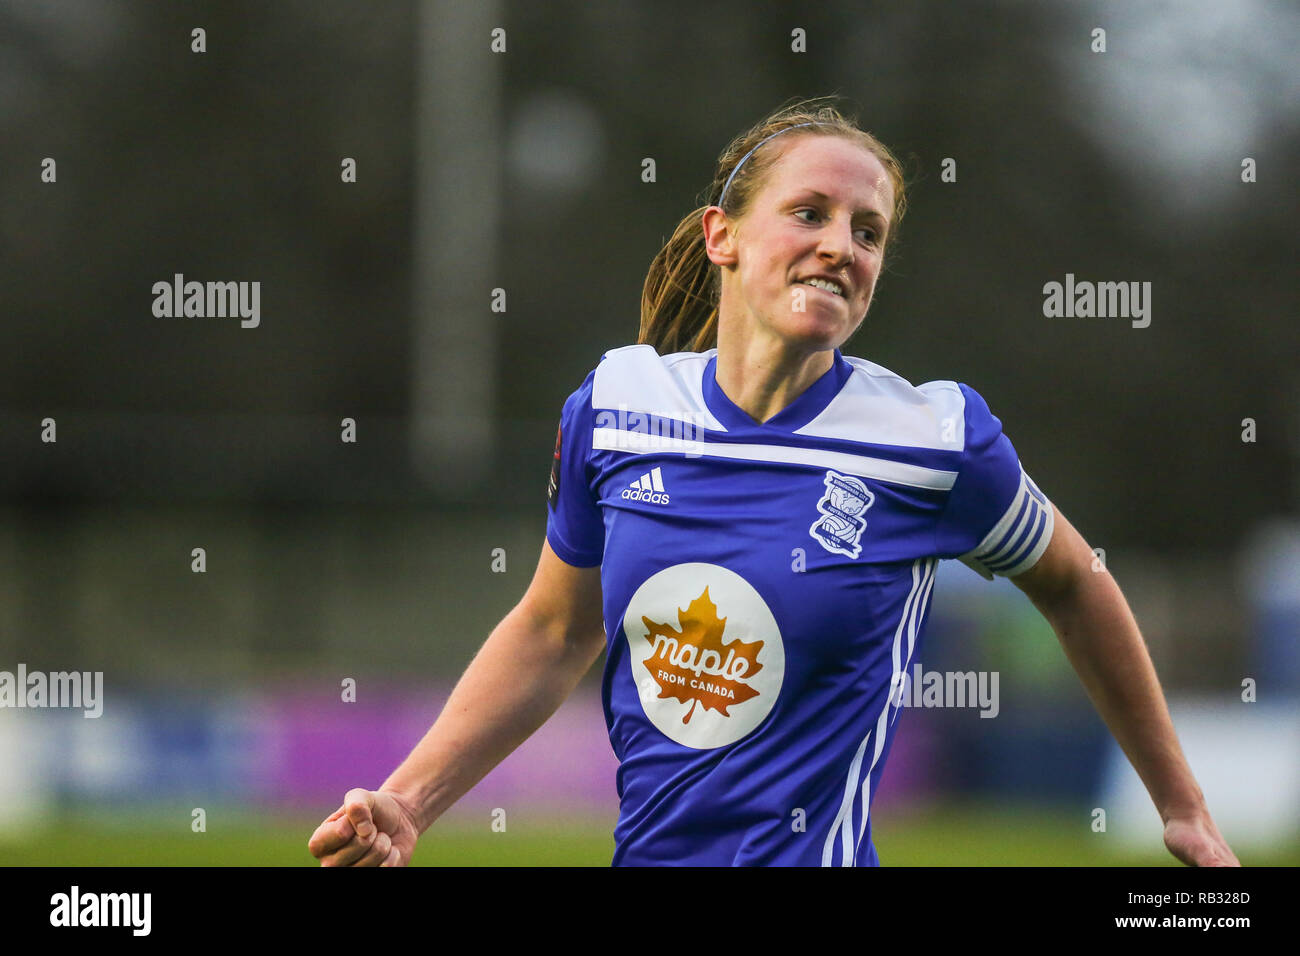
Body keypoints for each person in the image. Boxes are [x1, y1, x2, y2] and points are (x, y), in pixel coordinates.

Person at [308, 97, 1239, 867]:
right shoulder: (615, 406)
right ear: (724, 236)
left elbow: (1078, 584)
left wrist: (1181, 804)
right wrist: (408, 802)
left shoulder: (931, 441)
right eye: (811, 213)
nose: (843, 245)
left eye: (867, 232)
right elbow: (555, 629)